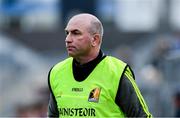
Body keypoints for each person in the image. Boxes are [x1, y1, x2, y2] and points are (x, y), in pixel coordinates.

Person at [47, 13, 152, 117]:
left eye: (76, 33)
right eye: (67, 33)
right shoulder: (56, 72)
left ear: (95, 39)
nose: (68, 39)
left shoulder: (117, 73)